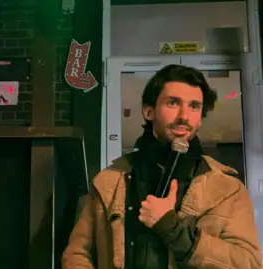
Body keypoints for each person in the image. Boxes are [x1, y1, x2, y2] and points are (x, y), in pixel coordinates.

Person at [62, 64, 262, 269]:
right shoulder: (109, 182)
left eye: (194, 106)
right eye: (173, 103)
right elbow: (77, 254)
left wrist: (171, 227)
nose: (184, 115)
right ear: (149, 111)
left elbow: (249, 264)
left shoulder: (227, 189)